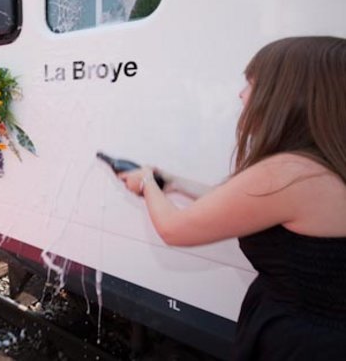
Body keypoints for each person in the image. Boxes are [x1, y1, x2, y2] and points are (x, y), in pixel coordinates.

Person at [117, 36, 346, 359]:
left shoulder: (289, 172)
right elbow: (243, 206)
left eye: (251, 84)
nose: (241, 95)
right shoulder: (323, 165)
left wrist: (146, 184)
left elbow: (175, 228)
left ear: (283, 94)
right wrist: (175, 183)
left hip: (296, 344)